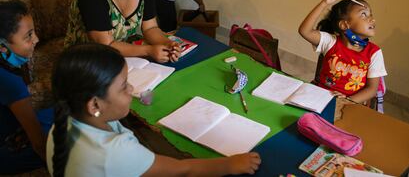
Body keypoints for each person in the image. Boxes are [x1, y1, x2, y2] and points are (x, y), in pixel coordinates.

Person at [47, 43, 261, 176]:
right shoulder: (114, 151)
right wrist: (230, 164)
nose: (131, 89)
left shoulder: (64, 118)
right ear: (94, 104)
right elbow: (183, 170)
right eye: (123, 87)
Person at [298, 0, 387, 103]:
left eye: (371, 14)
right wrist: (325, 3)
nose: (372, 19)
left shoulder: (374, 53)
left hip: (351, 105)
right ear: (345, 25)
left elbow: (371, 89)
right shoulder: (331, 42)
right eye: (364, 14)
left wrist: (347, 101)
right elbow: (305, 31)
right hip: (321, 99)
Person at [0, 0, 54, 174]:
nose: (36, 39)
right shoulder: (11, 83)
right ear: (2, 47)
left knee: (65, 108)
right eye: (28, 35)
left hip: (9, 128)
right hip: (5, 150)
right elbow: (38, 143)